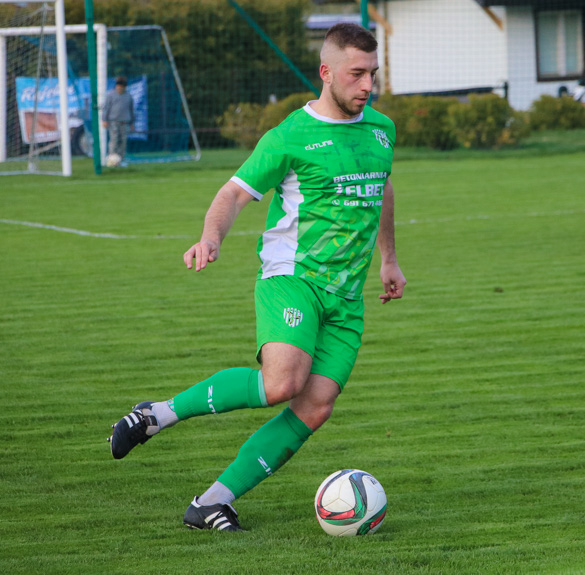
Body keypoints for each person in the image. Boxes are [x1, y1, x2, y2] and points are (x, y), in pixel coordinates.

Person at [107, 23, 406, 532]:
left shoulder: (381, 130)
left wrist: (389, 259)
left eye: (372, 74)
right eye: (356, 74)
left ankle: (211, 503)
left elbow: (380, 188)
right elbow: (233, 193)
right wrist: (211, 237)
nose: (367, 86)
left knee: (315, 407)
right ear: (326, 72)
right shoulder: (289, 136)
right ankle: (157, 414)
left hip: (347, 296)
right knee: (281, 383)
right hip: (293, 279)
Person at [102, 76, 135, 162]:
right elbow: (106, 108)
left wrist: (132, 123)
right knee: (114, 140)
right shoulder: (111, 95)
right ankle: (112, 159)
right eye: (118, 86)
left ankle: (121, 159)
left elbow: (131, 110)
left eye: (122, 87)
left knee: (123, 141)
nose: (120, 89)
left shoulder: (128, 96)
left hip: (125, 122)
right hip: (114, 122)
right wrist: (104, 120)